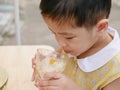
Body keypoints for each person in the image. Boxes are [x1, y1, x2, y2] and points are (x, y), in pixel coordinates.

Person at [32, 0, 120, 90]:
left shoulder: (115, 71)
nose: (60, 44)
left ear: (101, 27)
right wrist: (46, 63)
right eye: (53, 33)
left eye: (69, 37)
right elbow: (58, 60)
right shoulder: (77, 44)